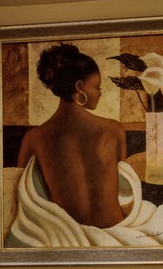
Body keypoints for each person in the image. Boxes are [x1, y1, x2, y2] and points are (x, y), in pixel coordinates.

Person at [16, 44, 128, 228]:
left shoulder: (33, 138)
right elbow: (125, 193)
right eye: (97, 87)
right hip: (116, 234)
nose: (100, 94)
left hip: (69, 237)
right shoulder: (115, 130)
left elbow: (21, 196)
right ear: (79, 87)